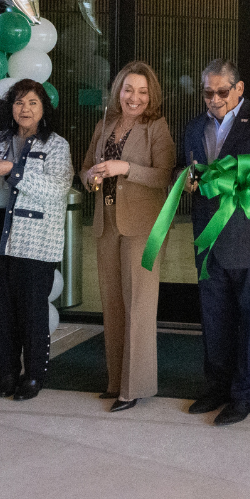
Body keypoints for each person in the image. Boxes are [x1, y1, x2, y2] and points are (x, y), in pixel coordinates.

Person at [180, 59, 250, 425]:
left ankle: (245, 396)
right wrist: (185, 179)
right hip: (208, 238)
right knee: (214, 319)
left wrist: (248, 179)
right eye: (207, 92)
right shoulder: (194, 127)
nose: (214, 99)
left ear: (239, 89)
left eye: (222, 92)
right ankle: (217, 387)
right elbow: (183, 169)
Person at [0, 79, 72, 401]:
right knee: (0, 312)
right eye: (19, 102)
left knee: (32, 313)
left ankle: (35, 375)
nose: (25, 109)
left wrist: (13, 170)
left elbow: (57, 188)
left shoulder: (56, 144)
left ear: (43, 109)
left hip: (35, 242)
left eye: (32, 103)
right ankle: (7, 373)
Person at [80, 61, 176, 411]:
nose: (134, 97)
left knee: (139, 304)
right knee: (113, 304)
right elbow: (85, 169)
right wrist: (90, 177)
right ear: (118, 91)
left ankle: (134, 387)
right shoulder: (105, 123)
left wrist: (126, 169)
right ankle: (115, 380)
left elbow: (165, 175)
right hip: (106, 223)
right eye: (128, 89)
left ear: (152, 96)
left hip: (144, 227)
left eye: (142, 92)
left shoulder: (156, 127)